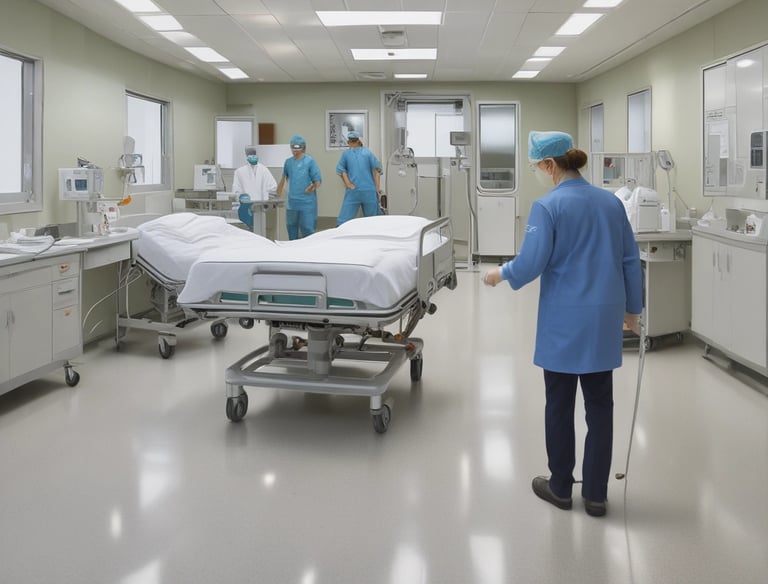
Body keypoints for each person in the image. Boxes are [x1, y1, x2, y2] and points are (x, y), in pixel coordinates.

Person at [482, 130, 643, 518]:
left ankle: (559, 487)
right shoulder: (611, 203)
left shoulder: (547, 206)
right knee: (600, 404)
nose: (539, 172)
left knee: (559, 403)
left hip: (564, 320)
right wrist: (633, 310)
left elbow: (531, 262)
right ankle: (596, 495)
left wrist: (500, 273)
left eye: (538, 165)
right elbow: (629, 260)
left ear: (551, 165)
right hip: (603, 318)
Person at [276, 135, 322, 239]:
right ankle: (292, 252)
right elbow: (283, 178)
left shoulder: (310, 161)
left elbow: (317, 181)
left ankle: (308, 253)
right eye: (293, 148)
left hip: (307, 202)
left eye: (298, 148)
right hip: (292, 202)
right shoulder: (288, 162)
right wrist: (277, 192)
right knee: (291, 227)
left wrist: (311, 187)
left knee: (308, 229)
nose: (295, 151)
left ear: (303, 147)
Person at [336, 131, 383, 225]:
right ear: (358, 140)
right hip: (369, 190)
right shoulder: (367, 153)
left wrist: (348, 184)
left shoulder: (347, 154)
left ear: (349, 142)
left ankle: (340, 237)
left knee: (343, 221)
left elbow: (341, 170)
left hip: (354, 191)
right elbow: (377, 170)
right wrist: (377, 189)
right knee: (372, 220)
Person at [232, 145, 277, 232]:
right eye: (250, 155)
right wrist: (242, 198)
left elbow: (273, 187)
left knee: (260, 231)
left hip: (261, 208)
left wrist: (267, 197)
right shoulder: (239, 172)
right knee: (248, 232)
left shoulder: (264, 170)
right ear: (246, 156)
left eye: (254, 154)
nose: (252, 157)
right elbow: (236, 191)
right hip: (246, 208)